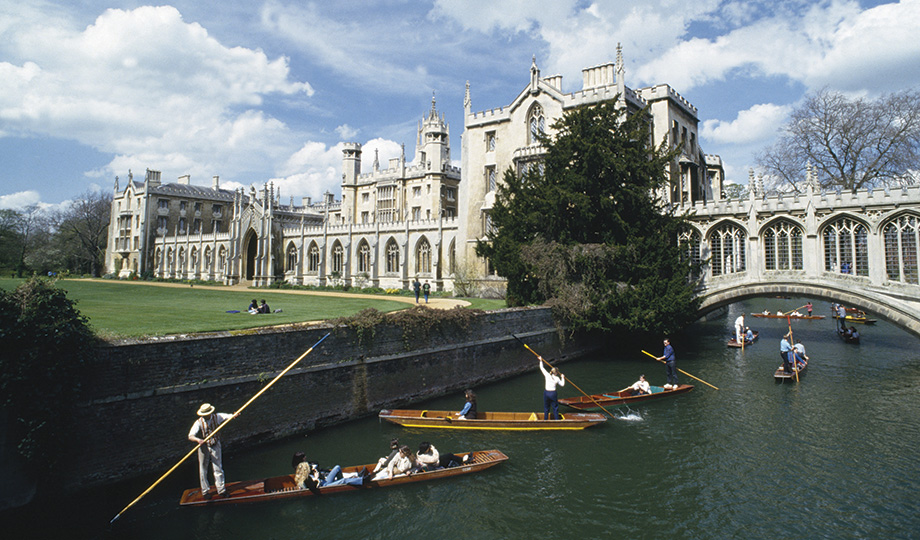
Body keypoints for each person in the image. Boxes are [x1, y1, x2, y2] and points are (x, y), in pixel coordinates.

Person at [188, 403, 235, 498]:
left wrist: (234, 415)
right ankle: (205, 491)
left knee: (218, 467)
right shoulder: (198, 422)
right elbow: (190, 436)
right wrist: (198, 440)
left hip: (215, 444)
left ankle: (221, 490)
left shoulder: (217, 417)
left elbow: (228, 416)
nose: (206, 416)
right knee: (203, 468)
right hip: (203, 447)